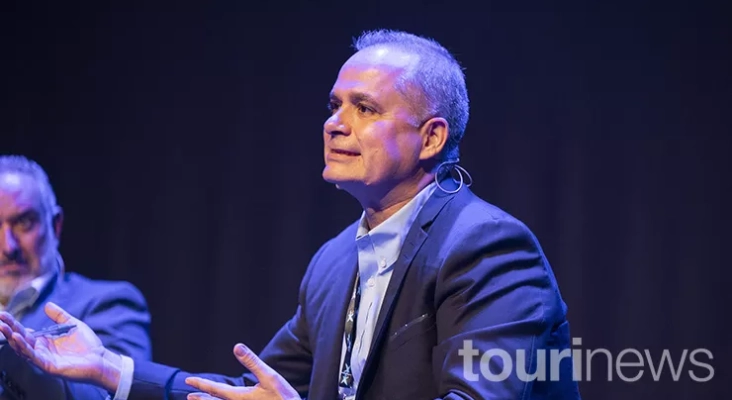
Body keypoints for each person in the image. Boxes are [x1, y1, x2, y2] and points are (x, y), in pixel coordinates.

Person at [0, 30, 581, 399]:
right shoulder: (333, 264)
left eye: (364, 108)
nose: (335, 123)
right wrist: (108, 368)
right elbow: (251, 395)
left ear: (431, 138)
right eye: (333, 106)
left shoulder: (489, 247)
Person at [0, 155, 153, 399]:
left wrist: (10, 353)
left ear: (56, 225)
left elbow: (114, 393)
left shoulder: (108, 303)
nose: (8, 246)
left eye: (24, 222)